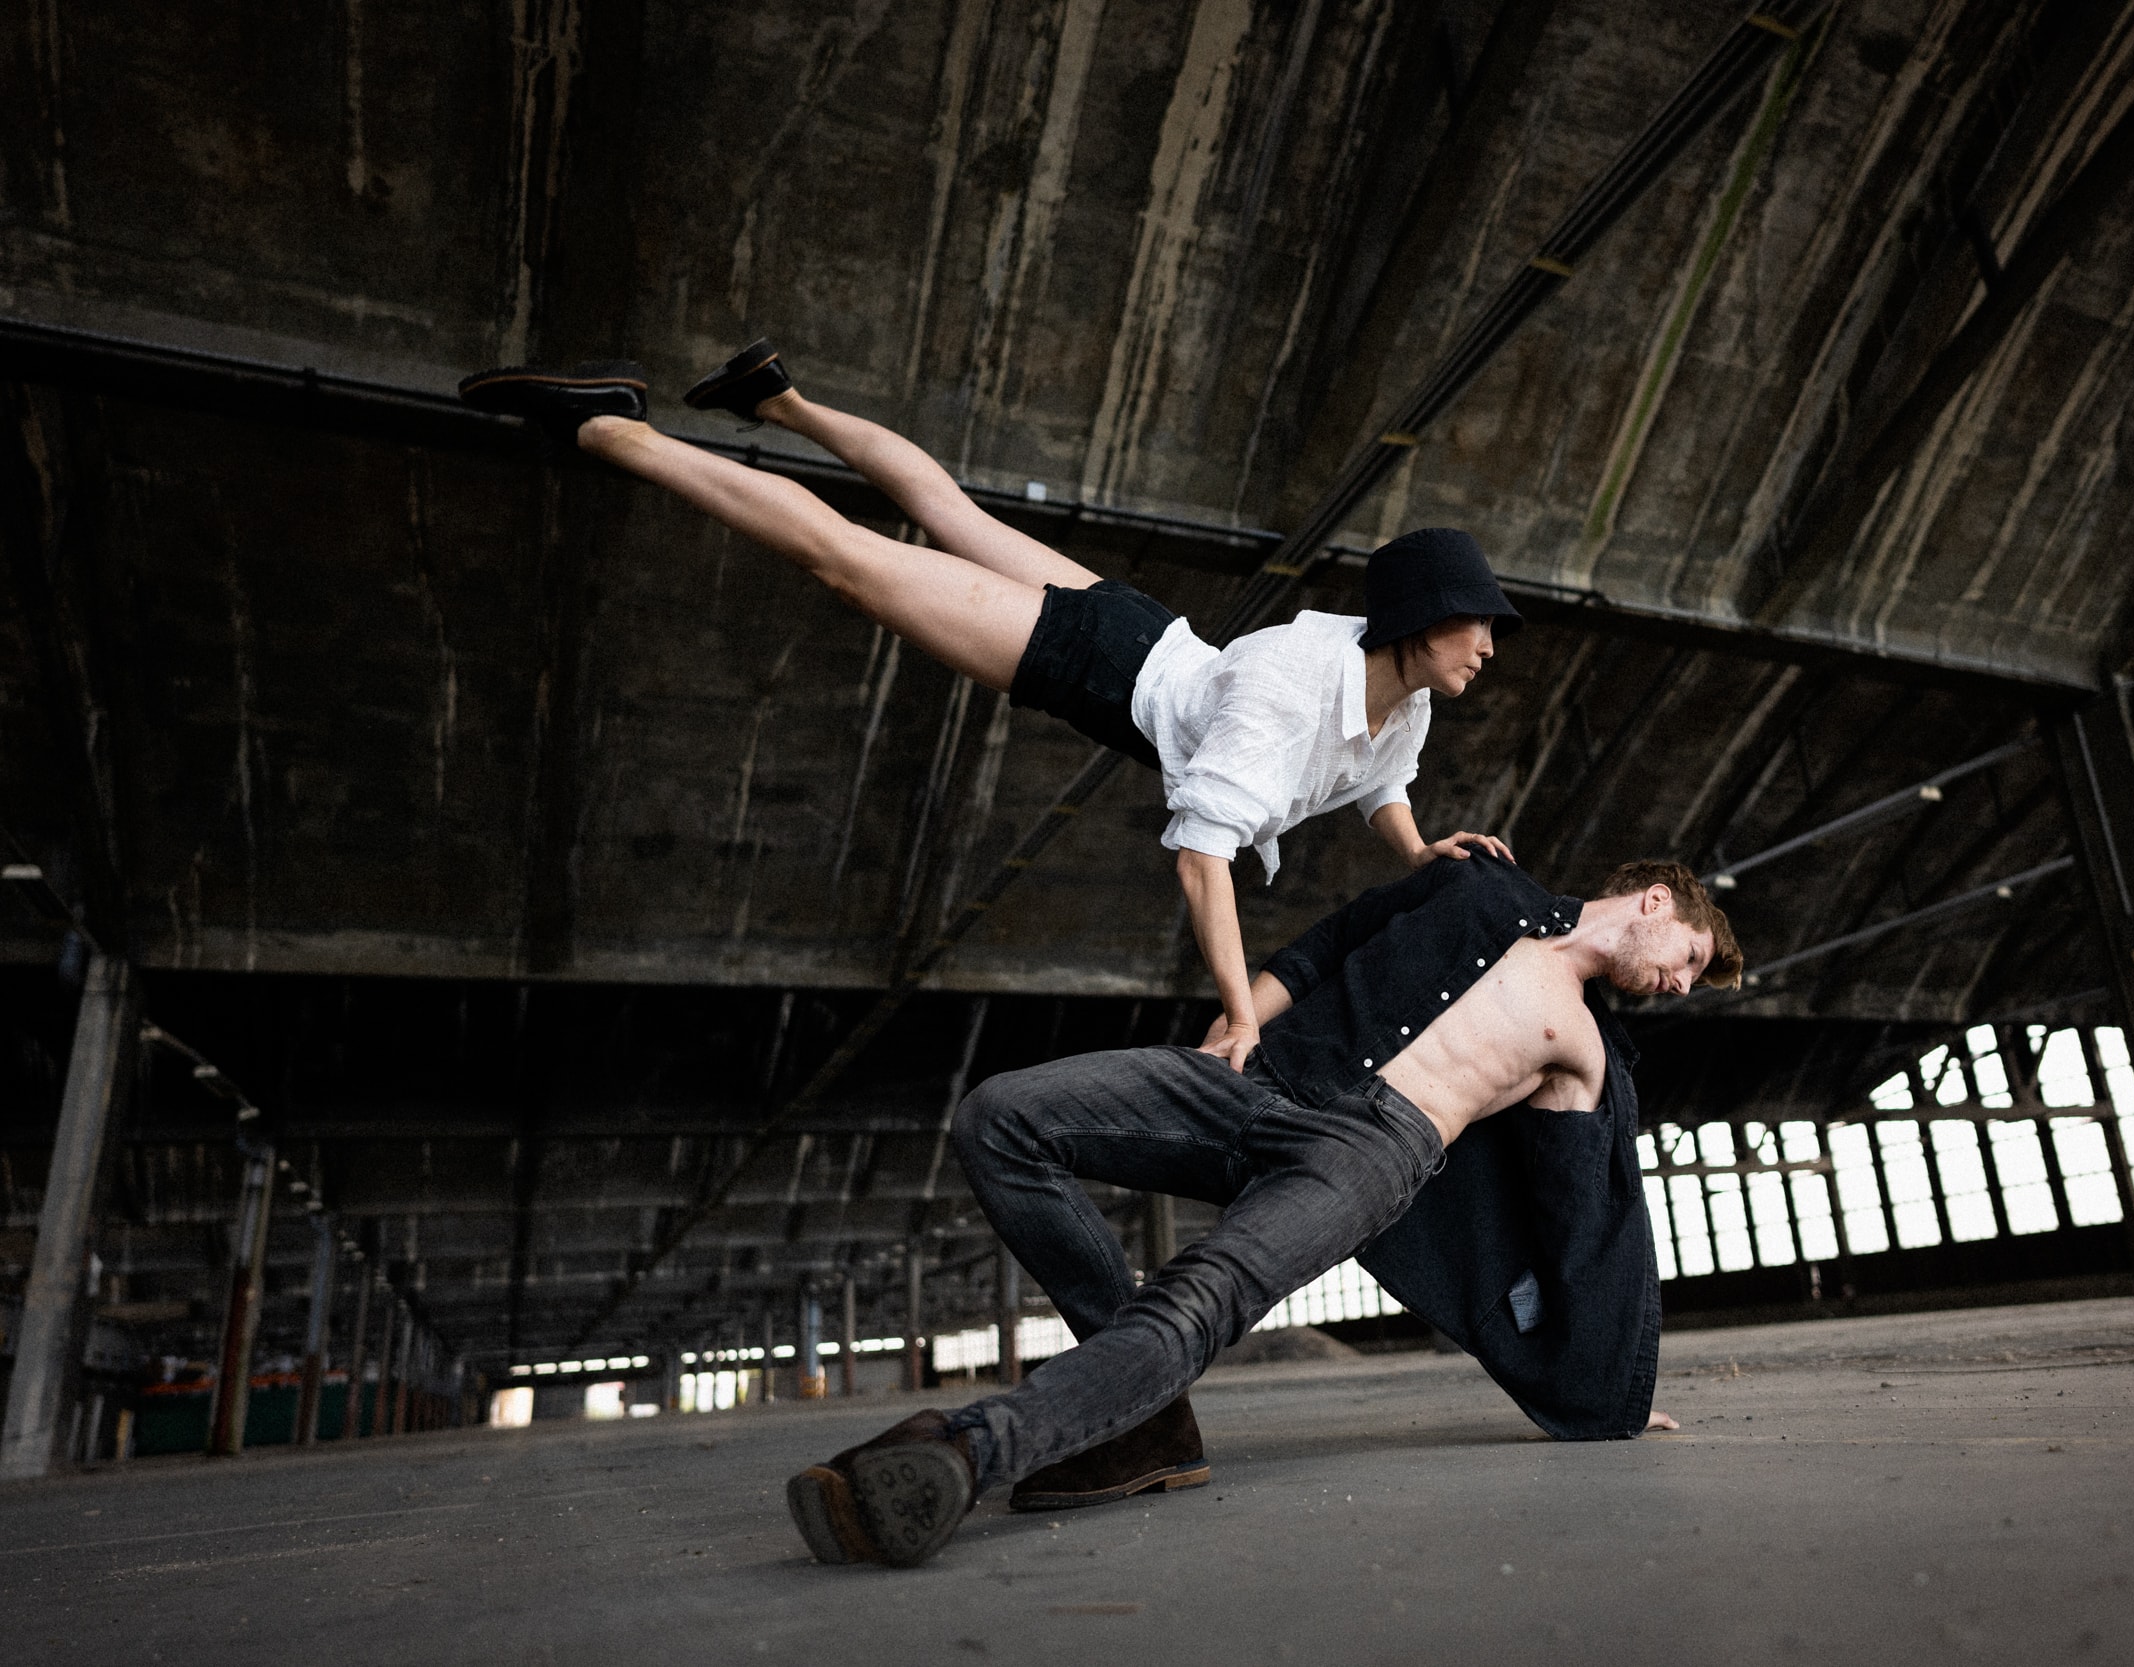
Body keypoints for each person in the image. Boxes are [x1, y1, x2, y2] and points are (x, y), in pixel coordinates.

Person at [456, 346, 1523, 1069]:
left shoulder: (1403, 702)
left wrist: (1415, 847)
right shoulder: (1290, 688)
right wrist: (1243, 1013)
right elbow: (1203, 859)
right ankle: (610, 429)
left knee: (942, 506)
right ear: (1417, 621)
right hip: (1088, 661)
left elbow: (1380, 778)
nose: (1487, 644)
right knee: (850, 561)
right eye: (1474, 622)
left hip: (1147, 636)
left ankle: (774, 398)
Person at [781, 852, 1741, 1568]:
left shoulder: (1585, 1051)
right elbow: (1334, 942)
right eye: (1691, 957)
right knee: (998, 1118)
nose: (1679, 984)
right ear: (1657, 899)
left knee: (1194, 1298)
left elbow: (1585, 1223)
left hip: (1373, 1151)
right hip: (1265, 1078)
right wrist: (1239, 1019)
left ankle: (969, 1447)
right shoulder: (1481, 885)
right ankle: (1143, 1419)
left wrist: (1611, 1382)